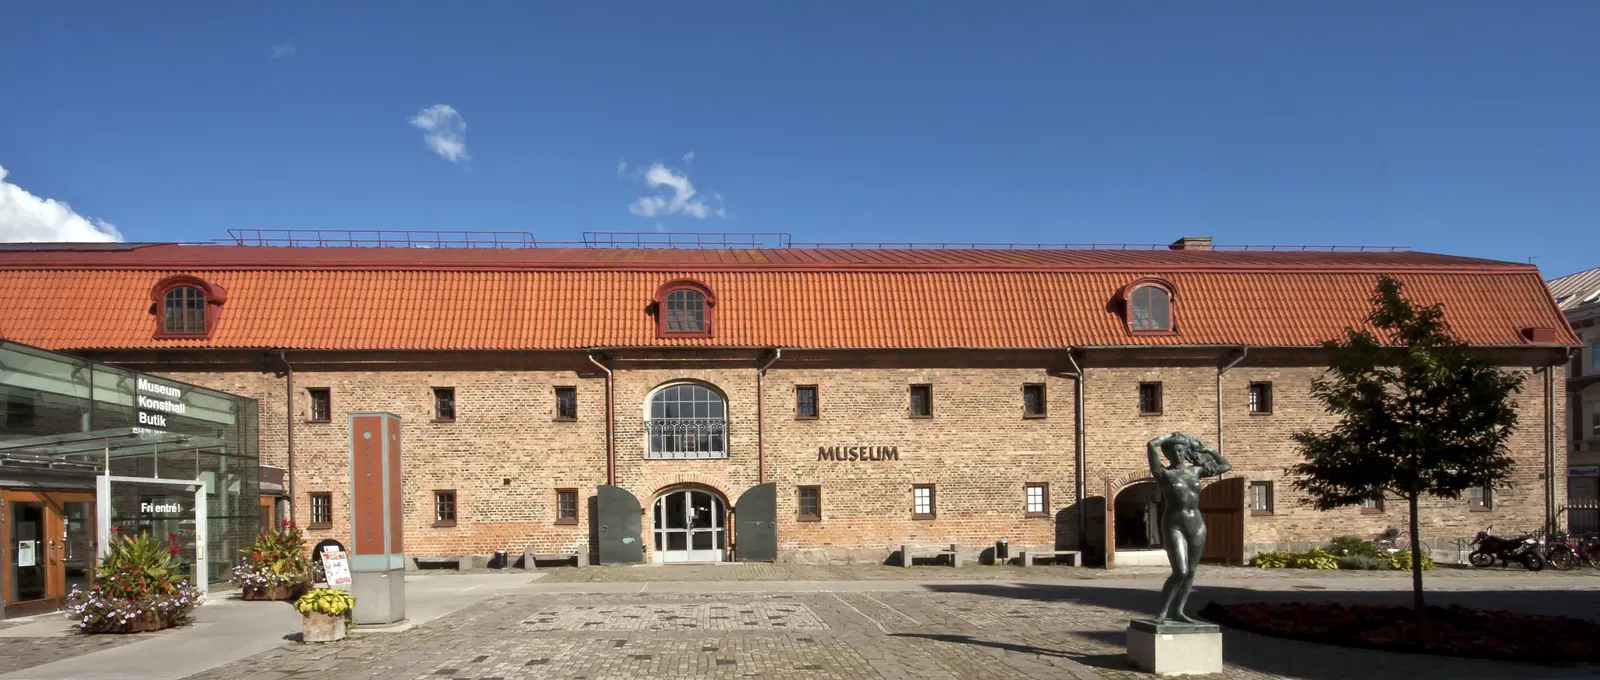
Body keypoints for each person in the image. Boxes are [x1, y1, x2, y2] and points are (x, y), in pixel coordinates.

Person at [1146, 432, 1231, 624]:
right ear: (1167, 454)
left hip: (1196, 522)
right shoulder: (1163, 474)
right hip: (1174, 522)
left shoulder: (1196, 471)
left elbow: (1226, 466)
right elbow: (1151, 445)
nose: (1178, 454)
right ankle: (1162, 611)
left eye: (1181, 450)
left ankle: (1179, 611)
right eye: (1174, 451)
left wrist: (1208, 449)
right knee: (1180, 571)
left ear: (1186, 452)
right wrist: (1171, 435)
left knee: (1191, 571)